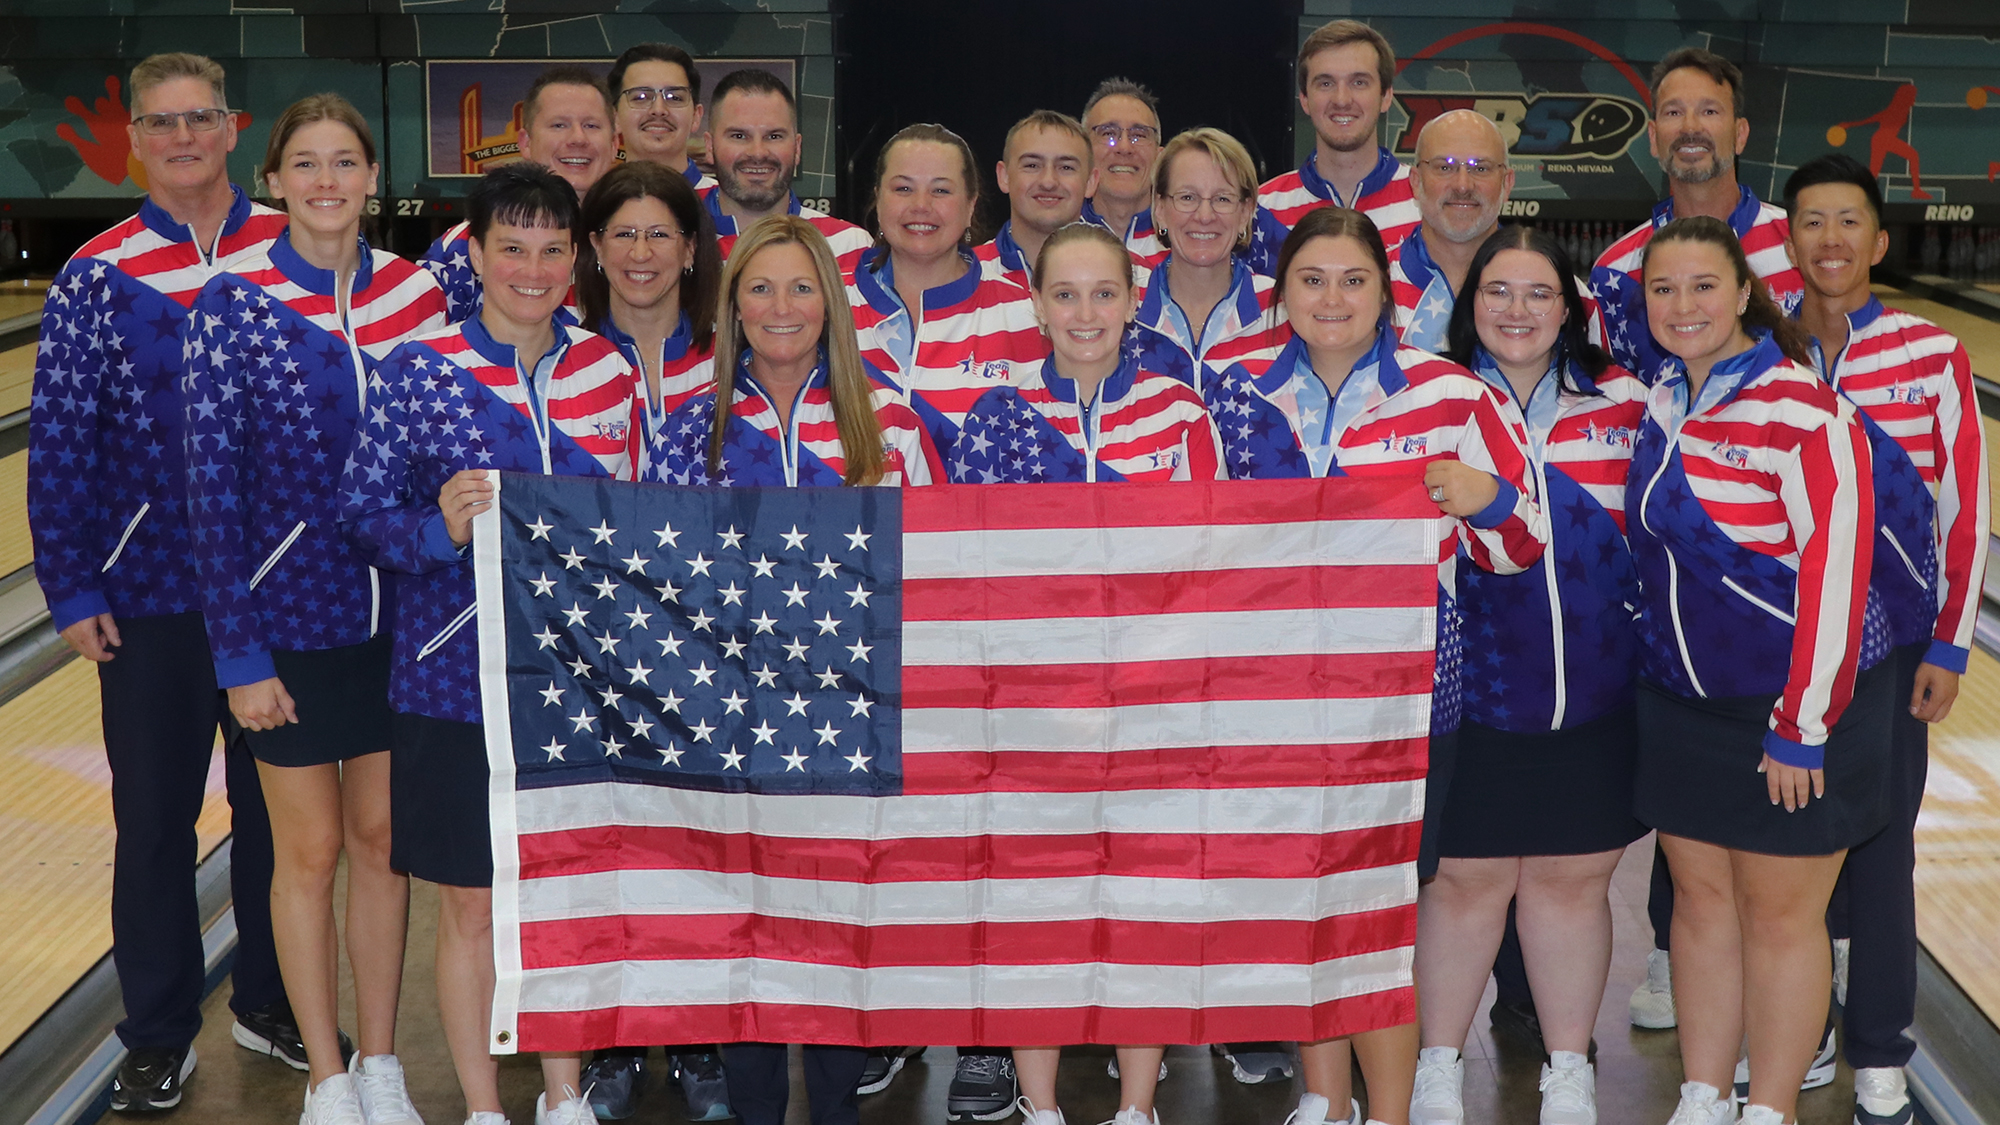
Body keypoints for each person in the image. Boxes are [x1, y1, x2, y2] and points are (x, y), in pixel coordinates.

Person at [1203, 205, 1548, 1125]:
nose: (1332, 298)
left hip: (1400, 700)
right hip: (1267, 698)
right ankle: (1326, 1099)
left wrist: (1489, 501)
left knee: (1381, 912)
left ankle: (1387, 1109)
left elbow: (1524, 548)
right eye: (1311, 279)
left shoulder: (1455, 396)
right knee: (1306, 904)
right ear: (1280, 295)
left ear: (1386, 295)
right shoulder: (1227, 390)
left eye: (1353, 280)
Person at [26, 50, 304, 1114]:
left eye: (200, 119)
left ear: (235, 126)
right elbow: (57, 445)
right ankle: (154, 1030)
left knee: (279, 817)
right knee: (152, 823)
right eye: (161, 123)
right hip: (146, 594)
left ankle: (269, 1000)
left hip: (283, 593)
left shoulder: (296, 247)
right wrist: (73, 586)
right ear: (135, 139)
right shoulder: (95, 274)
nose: (183, 138)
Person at [340, 163, 644, 1125]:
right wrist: (438, 529)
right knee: (472, 903)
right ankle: (482, 1107)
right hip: (453, 686)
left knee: (558, 902)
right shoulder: (421, 370)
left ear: (577, 259)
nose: (533, 268)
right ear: (474, 254)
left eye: (553, 249)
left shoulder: (609, 370)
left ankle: (563, 1097)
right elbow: (360, 517)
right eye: (512, 248)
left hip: (578, 685)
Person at [181, 92, 447, 1125]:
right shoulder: (231, 302)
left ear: (373, 178)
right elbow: (209, 492)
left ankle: (381, 1062)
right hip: (287, 621)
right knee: (311, 852)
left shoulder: (418, 299)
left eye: (345, 162)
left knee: (384, 844)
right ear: (275, 179)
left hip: (404, 625)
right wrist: (236, 655)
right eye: (307, 163)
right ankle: (327, 1075)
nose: (328, 181)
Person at [646, 218, 936, 1125]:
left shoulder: (888, 423)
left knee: (843, 925)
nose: (781, 307)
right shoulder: (693, 427)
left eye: (801, 288)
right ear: (732, 307)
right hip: (730, 723)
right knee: (747, 924)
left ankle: (842, 1109)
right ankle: (756, 1109)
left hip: (854, 718)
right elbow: (656, 587)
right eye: (760, 289)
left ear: (831, 306)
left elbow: (929, 574)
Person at [944, 222, 1219, 1125]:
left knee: (1143, 903)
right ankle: (1042, 1104)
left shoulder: (1182, 412)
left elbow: (1213, 560)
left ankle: (1138, 1104)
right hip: (1032, 715)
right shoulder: (999, 416)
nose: (1085, 312)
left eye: (1104, 293)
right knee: (1039, 908)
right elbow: (969, 568)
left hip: (1155, 710)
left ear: (1135, 301)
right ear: (1034, 304)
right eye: (1065, 294)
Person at [1627, 215, 1888, 1125]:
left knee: (1781, 920)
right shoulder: (1661, 399)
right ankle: (1704, 1094)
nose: (1682, 305)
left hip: (1785, 712)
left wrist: (1801, 723)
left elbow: (1837, 580)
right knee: (1699, 906)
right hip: (1680, 705)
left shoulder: (1805, 411)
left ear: (1743, 293)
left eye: (1703, 285)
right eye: (1664, 288)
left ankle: (1769, 1107)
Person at [1589, 50, 1807, 1034]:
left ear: (1737, 129)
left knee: (1785, 842)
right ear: (1650, 130)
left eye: (1705, 109)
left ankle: (1799, 976)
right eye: (1668, 109)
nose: (1686, 125)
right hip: (1674, 551)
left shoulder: (1793, 244)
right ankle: (1676, 957)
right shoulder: (1613, 264)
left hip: (1780, 547)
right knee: (1685, 814)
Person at [1411, 226, 1650, 1125]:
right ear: (1470, 306)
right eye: (1497, 292)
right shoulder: (1432, 398)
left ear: (1570, 307)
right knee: (1465, 884)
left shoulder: (1626, 401)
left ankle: (1567, 1067)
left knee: (1570, 883)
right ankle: (1437, 1063)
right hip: (1473, 688)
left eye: (1538, 293)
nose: (1517, 310)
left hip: (1596, 689)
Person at [1784, 154, 1989, 1125]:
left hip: (1894, 647)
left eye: (1846, 223)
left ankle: (1876, 1052)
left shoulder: (1931, 354)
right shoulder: (1762, 354)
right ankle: (1801, 1027)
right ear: (1788, 242)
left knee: (1877, 848)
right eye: (1809, 222)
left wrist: (1950, 645)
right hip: (1783, 648)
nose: (1828, 240)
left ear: (1874, 241)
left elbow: (1961, 509)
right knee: (1790, 848)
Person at [570, 159, 732, 1121]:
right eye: (622, 235)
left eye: (658, 235)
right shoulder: (565, 352)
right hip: (594, 643)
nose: (640, 253)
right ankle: (616, 1036)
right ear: (596, 249)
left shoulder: (734, 354)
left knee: (697, 846)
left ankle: (702, 1031)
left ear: (688, 248)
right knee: (610, 848)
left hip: (712, 644)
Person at [849, 122, 1043, 452]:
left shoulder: (1025, 317)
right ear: (878, 200)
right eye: (903, 189)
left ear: (970, 206)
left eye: (941, 190)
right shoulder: (828, 310)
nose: (921, 205)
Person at [419, 64, 617, 322]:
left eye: (591, 125)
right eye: (559, 125)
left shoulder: (633, 244)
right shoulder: (460, 246)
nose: (578, 138)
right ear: (525, 142)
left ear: (614, 144)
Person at [1130, 128, 1283, 398]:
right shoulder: (1123, 310)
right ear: (1159, 209)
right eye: (1187, 197)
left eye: (1222, 199)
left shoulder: (1284, 310)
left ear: (1246, 212)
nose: (1204, 215)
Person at [1258, 21, 1420, 258]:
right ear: (1304, 99)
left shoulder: (1427, 203)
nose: (1342, 99)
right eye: (1326, 83)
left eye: (1358, 82)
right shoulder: (1264, 209)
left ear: (1386, 96)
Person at [702, 68, 870, 271]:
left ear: (797, 148)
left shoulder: (851, 247)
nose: (758, 153)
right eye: (739, 136)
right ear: (710, 146)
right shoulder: (676, 243)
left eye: (774, 136)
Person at [1389, 111, 1515, 352]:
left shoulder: (1555, 289)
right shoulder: (1369, 286)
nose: (1463, 185)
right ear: (1416, 182)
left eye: (1480, 168)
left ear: (1507, 183)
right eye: (1445, 167)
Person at [975, 110, 1100, 287]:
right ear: (1004, 176)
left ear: (1090, 182)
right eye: (1032, 165)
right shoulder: (965, 275)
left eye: (1066, 167)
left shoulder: (1135, 275)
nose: (1048, 182)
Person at [1079, 77, 1167, 269]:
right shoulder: (1055, 240)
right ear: (1083, 151)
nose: (1124, 147)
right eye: (1108, 133)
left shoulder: (1189, 242)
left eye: (1139, 135)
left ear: (1159, 157)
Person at [608, 42, 716, 189]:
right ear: (615, 116)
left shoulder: (727, 206)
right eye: (641, 97)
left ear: (696, 116)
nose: (658, 110)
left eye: (675, 98)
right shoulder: (594, 205)